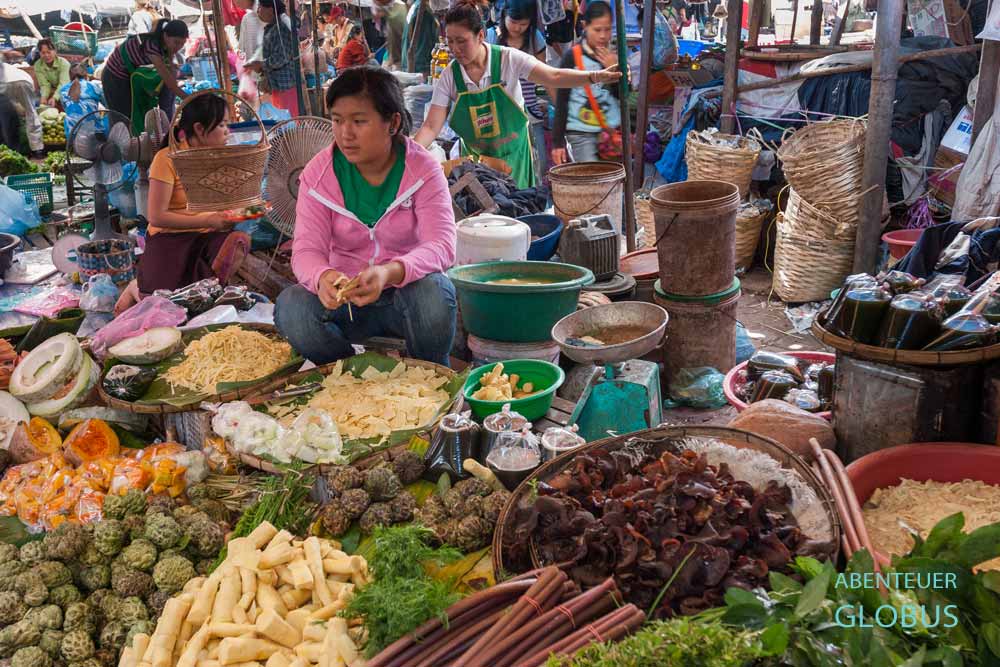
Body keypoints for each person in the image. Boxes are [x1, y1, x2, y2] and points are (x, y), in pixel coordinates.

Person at [275, 66, 458, 367]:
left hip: (405, 298)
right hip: (346, 302)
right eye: (337, 120)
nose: (345, 134)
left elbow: (442, 245)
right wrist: (323, 277)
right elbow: (306, 249)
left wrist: (390, 272)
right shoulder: (318, 175)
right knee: (292, 308)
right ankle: (352, 375)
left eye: (359, 121)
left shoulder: (423, 169)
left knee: (435, 294)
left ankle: (432, 377)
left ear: (392, 123)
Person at [414, 1, 620, 190]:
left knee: (518, 206)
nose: (455, 49)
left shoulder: (508, 59)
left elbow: (553, 76)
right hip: (476, 165)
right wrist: (410, 151)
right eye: (450, 41)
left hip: (516, 158)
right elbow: (431, 126)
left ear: (480, 36)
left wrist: (595, 76)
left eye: (461, 41)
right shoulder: (450, 76)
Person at [115, 94, 250, 314]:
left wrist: (235, 213)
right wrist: (208, 220)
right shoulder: (167, 158)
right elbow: (157, 216)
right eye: (222, 125)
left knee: (238, 241)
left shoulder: (217, 158)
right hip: (169, 238)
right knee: (160, 305)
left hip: (205, 238)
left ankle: (206, 297)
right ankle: (135, 288)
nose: (228, 131)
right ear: (199, 129)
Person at [487, 0, 550, 186]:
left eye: (523, 24)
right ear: (504, 15)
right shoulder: (490, 37)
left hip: (529, 111)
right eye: (513, 22)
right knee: (502, 167)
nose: (517, 28)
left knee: (538, 163)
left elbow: (545, 76)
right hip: (498, 114)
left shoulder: (535, 38)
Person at [551, 1, 621, 165]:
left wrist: (615, 70)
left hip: (611, 132)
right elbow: (562, 100)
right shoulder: (572, 56)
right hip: (580, 133)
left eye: (607, 29)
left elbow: (624, 96)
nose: (603, 35)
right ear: (584, 26)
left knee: (614, 177)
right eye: (597, 30)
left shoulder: (616, 54)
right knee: (591, 176)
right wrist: (557, 143)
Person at [102, 19, 189, 134]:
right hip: (114, 76)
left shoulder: (166, 46)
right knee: (122, 116)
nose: (179, 47)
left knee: (133, 115)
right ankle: (120, 143)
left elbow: (171, 72)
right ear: (165, 36)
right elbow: (170, 83)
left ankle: (134, 140)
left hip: (127, 74)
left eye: (182, 43)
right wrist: (189, 98)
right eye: (176, 42)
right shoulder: (152, 46)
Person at [247, 0, 300, 115]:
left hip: (286, 86)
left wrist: (261, 64)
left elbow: (282, 56)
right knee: (281, 119)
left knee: (288, 120)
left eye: (260, 7)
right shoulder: (272, 27)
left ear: (270, 10)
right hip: (278, 85)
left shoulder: (281, 28)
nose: (258, 10)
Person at [0, 63, 43, 157]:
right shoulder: (20, 72)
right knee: (31, 112)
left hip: (5, 83)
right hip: (23, 82)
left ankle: (6, 147)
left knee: (5, 115)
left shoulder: (7, 68)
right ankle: (37, 149)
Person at [236, 0, 265, 108]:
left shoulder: (249, 18)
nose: (235, 3)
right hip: (258, 72)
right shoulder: (247, 18)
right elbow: (242, 49)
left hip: (263, 72)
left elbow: (242, 48)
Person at [400, 0, 438, 75]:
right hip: (418, 69)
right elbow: (423, 46)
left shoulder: (416, 5)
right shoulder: (424, 12)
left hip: (410, 66)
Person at [33, 39, 70, 108]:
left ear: (55, 52)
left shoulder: (64, 63)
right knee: (36, 101)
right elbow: (44, 84)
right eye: (43, 53)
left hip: (66, 89)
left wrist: (55, 98)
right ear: (39, 53)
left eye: (49, 52)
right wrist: (44, 97)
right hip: (52, 89)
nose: (46, 55)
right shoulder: (38, 65)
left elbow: (64, 84)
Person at [373, 0, 407, 69]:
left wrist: (393, 60)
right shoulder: (393, 13)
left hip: (401, 59)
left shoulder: (396, 13)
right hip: (396, 58)